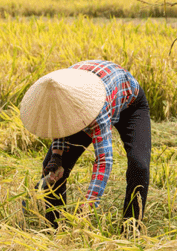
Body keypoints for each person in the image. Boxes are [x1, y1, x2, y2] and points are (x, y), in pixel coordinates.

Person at [19, 60, 151, 227]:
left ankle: (131, 229)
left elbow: (104, 161)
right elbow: (60, 124)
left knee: (139, 165)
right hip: (90, 97)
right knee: (50, 166)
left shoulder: (98, 108)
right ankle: (55, 227)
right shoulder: (59, 90)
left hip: (130, 105)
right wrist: (57, 157)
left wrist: (89, 205)